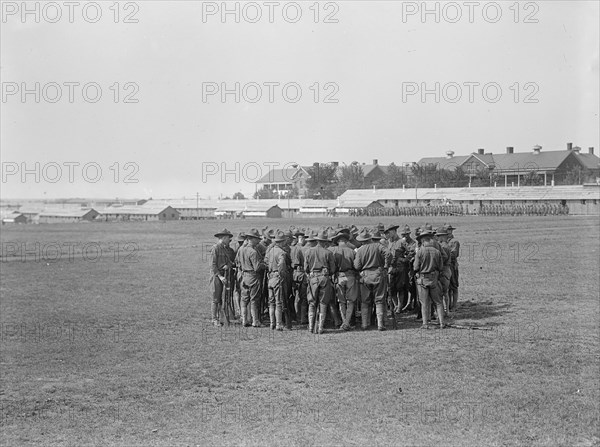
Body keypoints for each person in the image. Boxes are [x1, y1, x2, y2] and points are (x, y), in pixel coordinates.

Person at [354, 229, 390, 331]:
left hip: (365, 276)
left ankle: (365, 324)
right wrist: (386, 266)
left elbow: (357, 266)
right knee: (379, 300)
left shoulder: (360, 250)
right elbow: (388, 254)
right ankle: (380, 324)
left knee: (365, 301)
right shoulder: (378, 246)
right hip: (378, 274)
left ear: (362, 240)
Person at [304, 230, 337, 334]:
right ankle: (320, 327)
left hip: (313, 278)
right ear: (325, 242)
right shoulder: (328, 253)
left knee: (312, 303)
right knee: (323, 303)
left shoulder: (308, 251)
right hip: (324, 278)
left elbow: (306, 268)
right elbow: (332, 269)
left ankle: (310, 327)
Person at [413, 228, 446, 329]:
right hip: (434, 278)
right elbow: (441, 267)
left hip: (423, 279)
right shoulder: (437, 252)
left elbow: (415, 267)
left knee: (424, 303)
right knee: (439, 302)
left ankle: (425, 323)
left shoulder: (420, 252)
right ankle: (442, 323)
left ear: (422, 241)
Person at [235, 229, 266, 327]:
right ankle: (255, 321)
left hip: (244, 276)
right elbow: (257, 267)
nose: (258, 241)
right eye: (257, 239)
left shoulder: (241, 249)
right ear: (251, 239)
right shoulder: (253, 252)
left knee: (244, 300)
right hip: (253, 277)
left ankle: (244, 320)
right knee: (254, 300)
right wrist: (264, 265)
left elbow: (237, 262)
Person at [329, 231, 359, 330]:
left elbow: (332, 266)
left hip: (339, 276)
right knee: (350, 301)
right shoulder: (352, 251)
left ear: (338, 241)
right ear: (346, 241)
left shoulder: (334, 251)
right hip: (350, 276)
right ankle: (346, 323)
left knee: (341, 301)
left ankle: (344, 322)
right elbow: (356, 266)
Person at [265, 230, 292, 330]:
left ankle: (272, 323)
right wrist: (282, 275)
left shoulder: (270, 251)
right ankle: (278, 324)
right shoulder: (282, 253)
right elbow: (281, 266)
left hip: (270, 278)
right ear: (282, 242)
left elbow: (266, 262)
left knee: (271, 302)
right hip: (278, 278)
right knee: (279, 303)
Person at [209, 229, 235, 327]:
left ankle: (221, 318)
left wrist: (228, 265)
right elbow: (212, 265)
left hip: (224, 275)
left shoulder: (225, 248)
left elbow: (229, 261)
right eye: (228, 238)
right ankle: (214, 319)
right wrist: (220, 276)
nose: (229, 240)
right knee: (215, 298)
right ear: (224, 238)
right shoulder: (215, 248)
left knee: (222, 298)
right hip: (216, 276)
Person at [290, 229, 308, 325]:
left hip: (295, 274)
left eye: (303, 237)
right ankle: (301, 318)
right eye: (301, 238)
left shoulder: (293, 248)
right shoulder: (299, 249)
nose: (302, 239)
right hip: (300, 273)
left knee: (297, 297)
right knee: (302, 297)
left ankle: (299, 317)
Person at [446, 224, 460, 310]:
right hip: (446, 265)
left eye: (449, 230)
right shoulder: (443, 241)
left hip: (452, 265)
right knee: (447, 287)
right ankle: (448, 305)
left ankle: (454, 305)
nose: (448, 232)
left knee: (454, 286)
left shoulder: (454, 242)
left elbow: (454, 254)